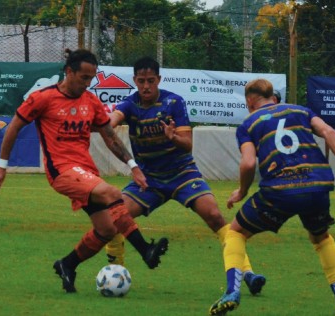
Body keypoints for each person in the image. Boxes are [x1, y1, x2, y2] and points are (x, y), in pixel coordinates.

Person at [0, 49, 168, 293]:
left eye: (91, 78)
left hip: (86, 172)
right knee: (112, 192)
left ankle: (67, 264)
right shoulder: (43, 98)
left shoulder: (91, 101)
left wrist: (133, 167)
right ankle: (145, 250)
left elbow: (110, 138)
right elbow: (14, 127)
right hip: (62, 172)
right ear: (69, 72)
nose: (88, 83)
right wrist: (1, 167)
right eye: (84, 77)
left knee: (107, 229)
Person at [209, 78, 335, 316]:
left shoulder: (249, 124)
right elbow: (328, 132)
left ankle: (232, 292)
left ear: (250, 101)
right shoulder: (301, 110)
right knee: (321, 238)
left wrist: (242, 192)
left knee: (235, 232)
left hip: (280, 190)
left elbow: (247, 163)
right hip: (316, 186)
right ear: (273, 98)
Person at [104, 56, 265, 295]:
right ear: (135, 81)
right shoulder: (129, 105)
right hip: (149, 178)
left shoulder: (174, 102)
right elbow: (109, 124)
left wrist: (172, 137)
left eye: (150, 80)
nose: (146, 86)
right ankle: (115, 275)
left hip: (182, 172)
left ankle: (247, 273)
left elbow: (187, 144)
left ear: (158, 79)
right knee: (114, 219)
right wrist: (106, 122)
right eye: (141, 81)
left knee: (214, 215)